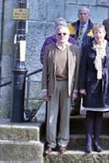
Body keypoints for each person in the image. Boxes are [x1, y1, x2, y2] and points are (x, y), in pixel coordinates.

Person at [41, 25, 81, 155]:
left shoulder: (75, 50)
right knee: (51, 116)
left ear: (69, 36)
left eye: (64, 34)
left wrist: (76, 90)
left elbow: (77, 72)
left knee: (65, 115)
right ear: (55, 35)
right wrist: (44, 89)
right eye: (59, 34)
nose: (62, 36)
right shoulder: (49, 49)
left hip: (68, 85)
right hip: (53, 84)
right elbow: (45, 70)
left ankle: (63, 142)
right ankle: (50, 143)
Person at [78, 24, 109, 153]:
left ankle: (97, 142)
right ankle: (88, 143)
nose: (98, 35)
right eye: (96, 33)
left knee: (99, 115)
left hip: (104, 84)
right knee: (90, 114)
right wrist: (81, 86)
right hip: (90, 83)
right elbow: (82, 68)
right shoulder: (87, 48)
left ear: (104, 33)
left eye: (100, 32)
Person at [69, 6, 94, 116]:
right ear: (78, 15)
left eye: (85, 14)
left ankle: (88, 106)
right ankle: (75, 106)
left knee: (85, 80)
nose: (83, 16)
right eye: (81, 14)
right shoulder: (72, 26)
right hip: (74, 56)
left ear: (88, 15)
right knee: (75, 80)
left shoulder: (93, 27)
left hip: (87, 56)